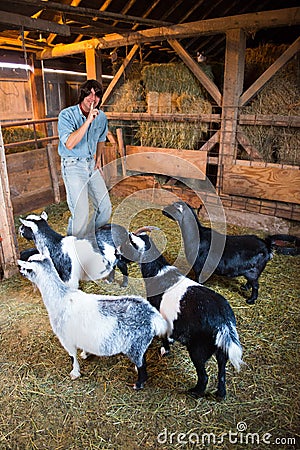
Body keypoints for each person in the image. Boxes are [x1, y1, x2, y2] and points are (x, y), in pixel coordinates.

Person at [58, 79, 112, 238]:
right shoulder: (67, 115)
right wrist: (88, 120)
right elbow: (69, 144)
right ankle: (72, 249)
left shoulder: (101, 117)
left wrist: (98, 161)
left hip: (90, 164)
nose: (92, 98)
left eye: (97, 95)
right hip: (73, 165)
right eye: (89, 93)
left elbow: (101, 139)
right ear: (82, 95)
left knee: (105, 207)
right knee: (81, 212)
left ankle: (92, 239)